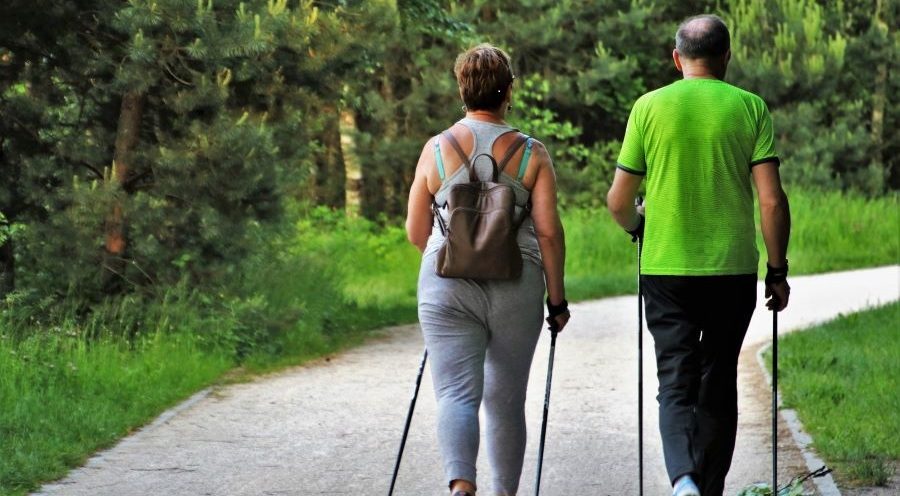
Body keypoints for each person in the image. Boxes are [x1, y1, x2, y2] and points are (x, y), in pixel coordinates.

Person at [606, 14, 791, 496]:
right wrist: (777, 270)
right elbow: (771, 200)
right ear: (726, 56)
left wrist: (638, 227)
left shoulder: (648, 107)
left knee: (675, 378)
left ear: (676, 58)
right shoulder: (751, 108)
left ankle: (683, 480)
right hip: (731, 270)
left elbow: (618, 201)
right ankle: (708, 488)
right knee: (718, 379)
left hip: (665, 267)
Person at [405, 43, 569, 496]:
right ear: (508, 91)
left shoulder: (435, 149)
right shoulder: (532, 153)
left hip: (445, 284)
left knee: (456, 394)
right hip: (515, 284)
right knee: (505, 400)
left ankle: (460, 487)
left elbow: (415, 230)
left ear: (463, 89)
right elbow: (550, 234)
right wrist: (556, 300)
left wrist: (449, 257)